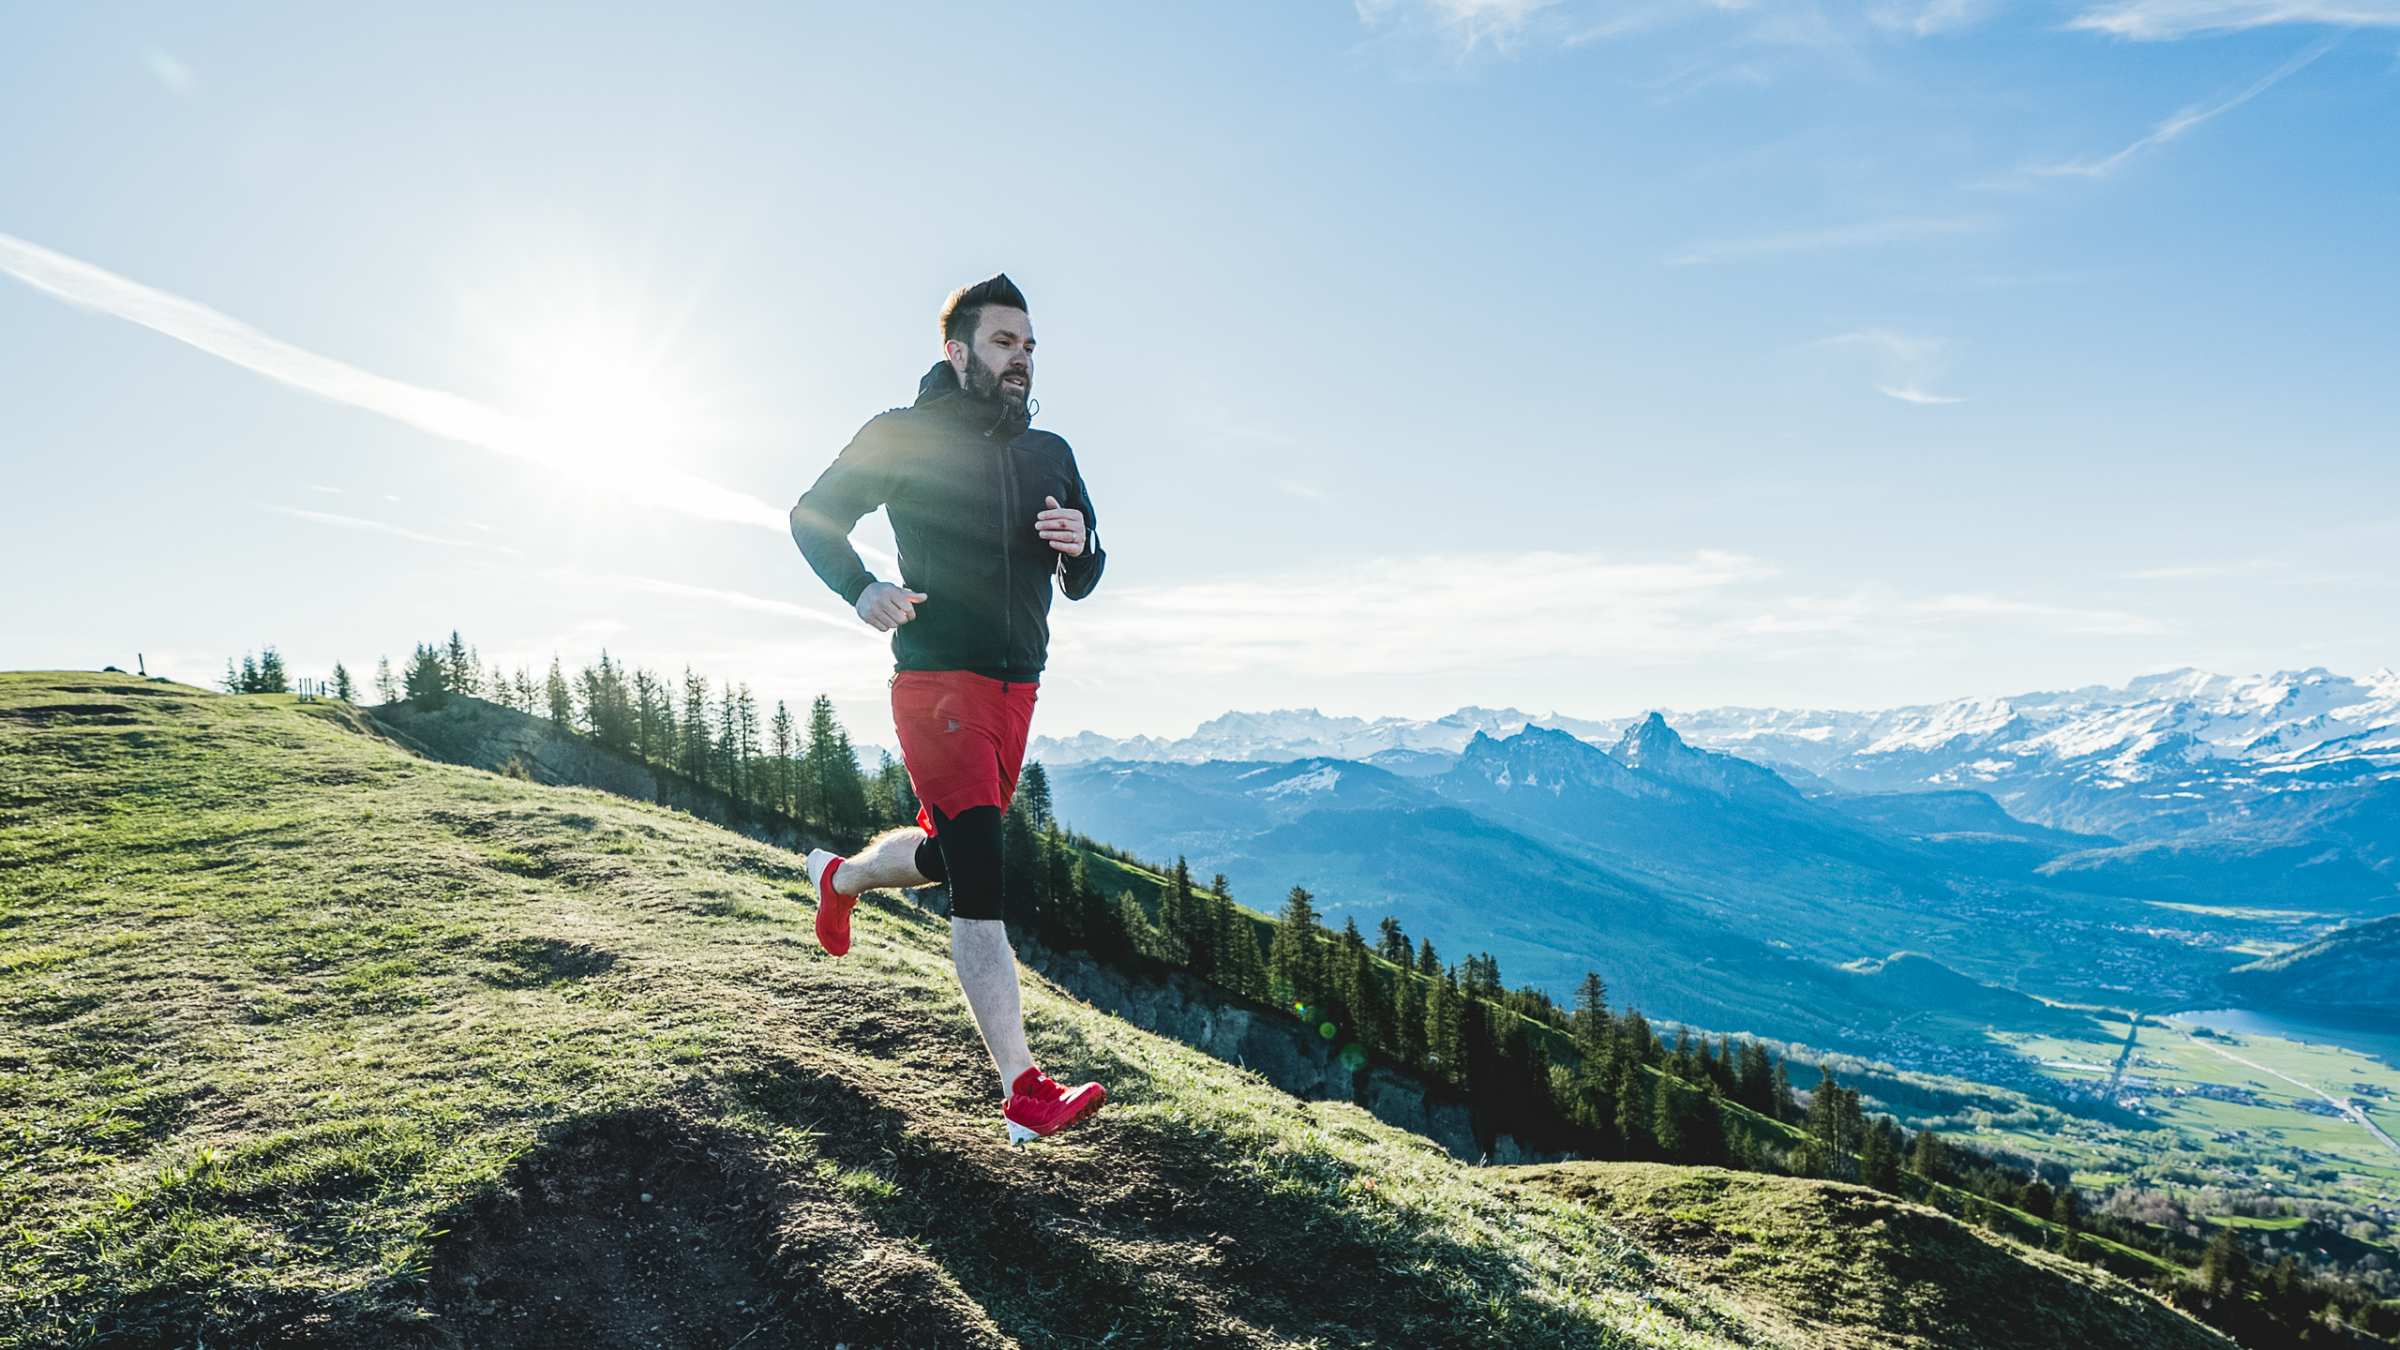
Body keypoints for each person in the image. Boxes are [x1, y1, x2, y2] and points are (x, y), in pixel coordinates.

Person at [788, 274, 1108, 1146]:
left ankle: (842, 877)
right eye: (1005, 343)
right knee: (981, 868)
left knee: (945, 851)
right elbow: (812, 517)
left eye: (1031, 345)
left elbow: (1087, 568)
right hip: (937, 677)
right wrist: (862, 590)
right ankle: (1023, 1092)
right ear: (957, 351)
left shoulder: (1050, 450)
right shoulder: (902, 436)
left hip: (1018, 684)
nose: (1022, 360)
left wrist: (1081, 549)